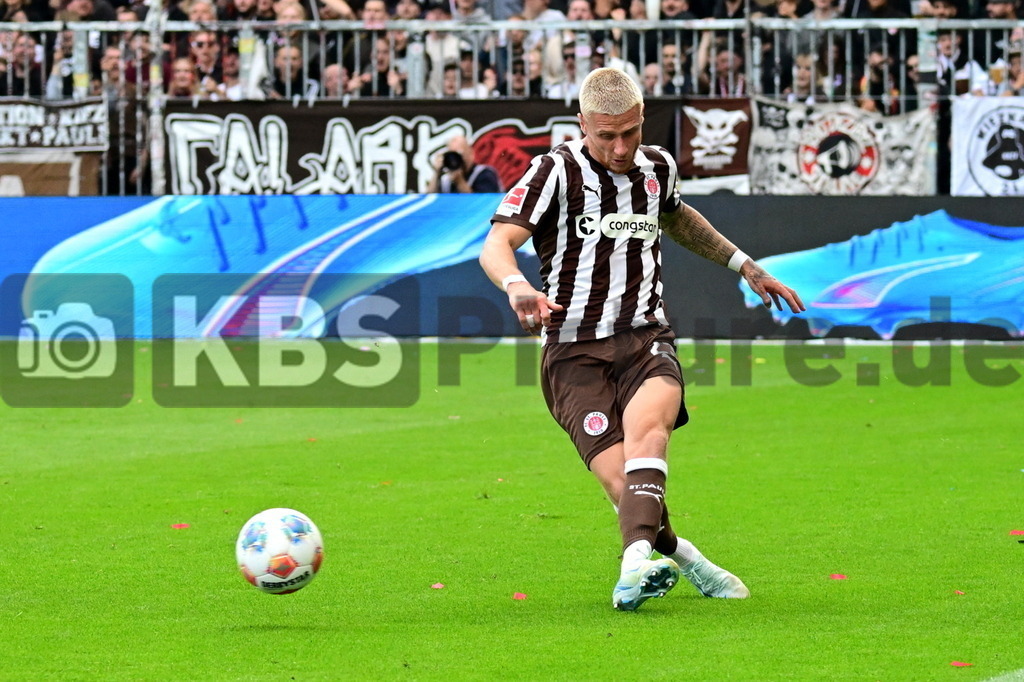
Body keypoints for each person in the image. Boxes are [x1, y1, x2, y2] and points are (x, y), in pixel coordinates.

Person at [479, 67, 804, 611]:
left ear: (642, 120)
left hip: (644, 340)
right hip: (572, 353)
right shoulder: (553, 172)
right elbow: (496, 244)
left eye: (630, 132)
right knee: (622, 486)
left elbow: (678, 220)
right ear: (582, 124)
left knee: (650, 433)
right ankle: (689, 559)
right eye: (606, 135)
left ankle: (631, 570)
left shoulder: (658, 168)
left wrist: (743, 263)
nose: (621, 147)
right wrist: (516, 285)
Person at [428, 135, 502, 193]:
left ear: (470, 153)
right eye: (453, 154)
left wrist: (459, 182)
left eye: (459, 154)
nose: (455, 159)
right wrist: (436, 173)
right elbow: (429, 200)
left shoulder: (485, 173)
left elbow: (483, 204)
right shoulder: (446, 180)